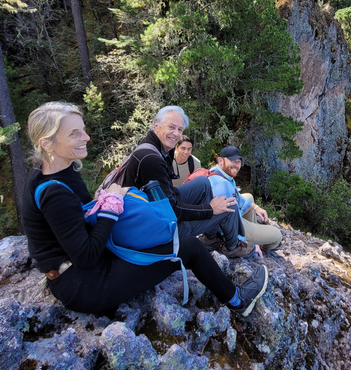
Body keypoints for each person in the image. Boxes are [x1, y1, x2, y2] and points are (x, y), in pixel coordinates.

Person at [21, 101, 268, 316]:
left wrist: (110, 203)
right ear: (47, 143)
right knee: (190, 247)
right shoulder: (54, 191)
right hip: (84, 284)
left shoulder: (62, 170)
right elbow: (86, 256)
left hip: (93, 262)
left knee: (183, 242)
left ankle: (228, 266)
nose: (86, 137)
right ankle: (238, 299)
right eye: (75, 134)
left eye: (83, 130)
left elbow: (79, 221)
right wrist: (111, 208)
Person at [119, 106, 258, 259]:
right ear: (156, 125)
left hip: (149, 213)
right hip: (154, 229)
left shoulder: (154, 148)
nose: (176, 134)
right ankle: (232, 247)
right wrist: (210, 209)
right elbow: (172, 211)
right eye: (171, 127)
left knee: (203, 183)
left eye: (180, 129)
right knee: (228, 205)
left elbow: (166, 197)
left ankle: (210, 238)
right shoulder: (151, 159)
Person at [207, 146, 283, 253]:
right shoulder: (222, 185)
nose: (236, 165)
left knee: (249, 197)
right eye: (232, 161)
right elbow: (228, 223)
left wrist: (256, 208)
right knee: (277, 235)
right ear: (220, 160)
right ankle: (261, 247)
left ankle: (254, 234)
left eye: (238, 162)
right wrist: (247, 244)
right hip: (227, 229)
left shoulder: (218, 174)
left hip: (228, 218)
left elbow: (239, 198)